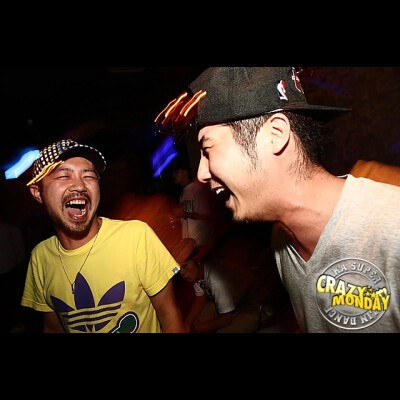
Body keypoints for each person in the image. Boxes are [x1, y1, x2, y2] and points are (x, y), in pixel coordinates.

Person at [155, 67, 400, 333]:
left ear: (275, 135)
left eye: (208, 148)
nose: (202, 173)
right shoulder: (283, 241)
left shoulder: (391, 227)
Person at [21, 139, 185, 333]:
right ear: (37, 193)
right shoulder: (40, 257)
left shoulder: (135, 237)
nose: (79, 186)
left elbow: (170, 317)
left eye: (88, 176)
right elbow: (53, 328)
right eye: (63, 176)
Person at [179, 254, 260, 333]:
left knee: (223, 331)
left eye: (184, 266)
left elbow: (226, 319)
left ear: (197, 260)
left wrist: (199, 328)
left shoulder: (216, 280)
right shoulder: (198, 273)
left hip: (253, 307)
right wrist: (187, 322)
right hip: (234, 303)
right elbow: (200, 299)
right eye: (178, 269)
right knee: (199, 317)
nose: (181, 273)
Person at [0, 207, 26, 332]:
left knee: (13, 298)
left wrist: (20, 269)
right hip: (7, 271)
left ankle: (18, 322)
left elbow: (19, 251)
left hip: (11, 271)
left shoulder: (12, 230)